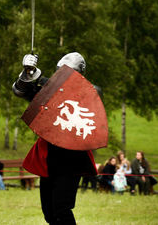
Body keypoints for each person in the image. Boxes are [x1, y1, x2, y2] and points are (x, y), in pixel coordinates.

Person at [13, 52, 99, 225]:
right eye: (61, 71)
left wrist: (41, 82)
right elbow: (20, 91)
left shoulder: (90, 92)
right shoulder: (49, 87)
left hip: (72, 159)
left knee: (62, 209)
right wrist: (27, 72)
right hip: (50, 157)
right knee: (49, 213)